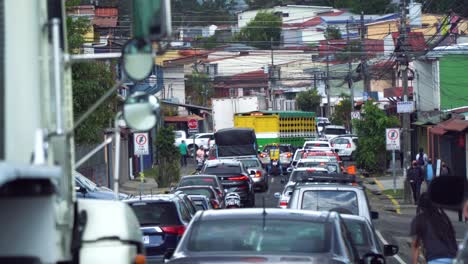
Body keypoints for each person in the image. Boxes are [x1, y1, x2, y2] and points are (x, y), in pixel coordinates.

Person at [410, 193, 458, 264]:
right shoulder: (444, 218)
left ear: (421, 205)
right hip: (453, 258)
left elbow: (415, 246)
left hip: (435, 259)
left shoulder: (419, 220)